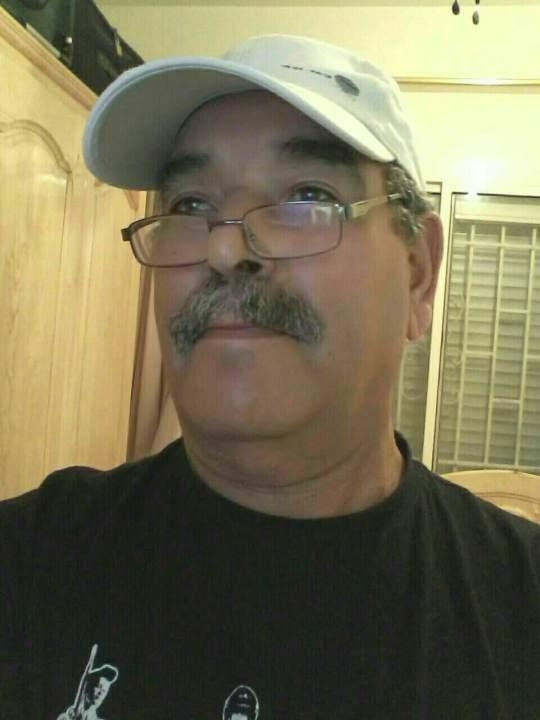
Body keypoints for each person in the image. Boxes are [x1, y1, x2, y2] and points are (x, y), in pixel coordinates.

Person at [1, 33, 539, 719]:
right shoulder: (32, 564)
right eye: (191, 206)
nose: (226, 249)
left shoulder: (519, 611)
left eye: (307, 196)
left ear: (418, 274)